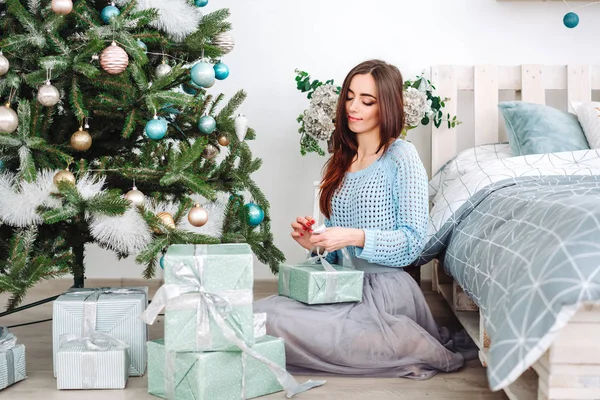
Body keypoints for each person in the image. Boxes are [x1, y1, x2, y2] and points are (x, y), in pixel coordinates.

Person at [254, 59, 476, 379]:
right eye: (350, 97)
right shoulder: (341, 159)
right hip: (340, 286)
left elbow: (414, 242)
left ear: (386, 107)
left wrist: (353, 236)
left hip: (383, 295)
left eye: (367, 100)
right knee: (263, 315)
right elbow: (334, 247)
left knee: (278, 325)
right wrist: (315, 242)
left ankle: (402, 342)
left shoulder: (402, 156)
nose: (353, 107)